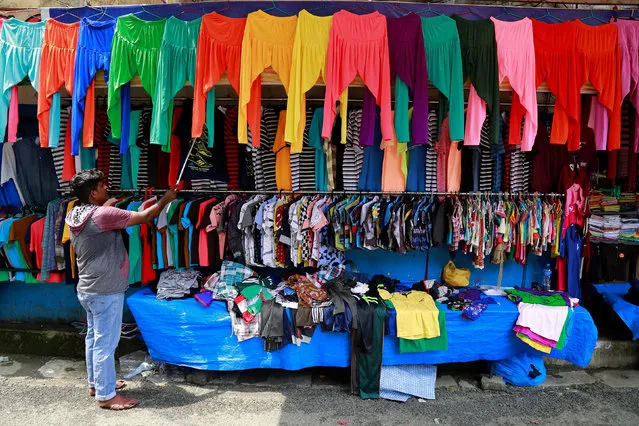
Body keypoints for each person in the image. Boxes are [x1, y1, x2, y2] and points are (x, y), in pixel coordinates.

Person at [65, 169, 176, 410]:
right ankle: (106, 396)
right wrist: (166, 199)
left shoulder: (74, 213)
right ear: (93, 192)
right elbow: (147, 215)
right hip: (106, 289)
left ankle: (96, 384)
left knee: (94, 338)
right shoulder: (103, 215)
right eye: (103, 186)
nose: (108, 189)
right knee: (106, 342)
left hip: (88, 287)